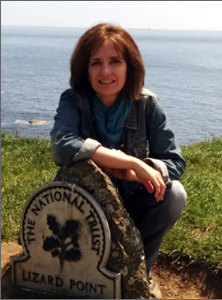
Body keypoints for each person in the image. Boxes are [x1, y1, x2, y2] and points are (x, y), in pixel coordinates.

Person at [50, 23, 187, 299]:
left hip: (131, 205)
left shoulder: (147, 104)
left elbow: (173, 161)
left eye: (115, 61)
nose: (106, 72)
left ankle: (139, 272)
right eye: (96, 63)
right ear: (85, 70)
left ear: (130, 66)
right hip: (82, 206)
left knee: (175, 195)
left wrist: (133, 171)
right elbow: (61, 146)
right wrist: (128, 162)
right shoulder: (74, 100)